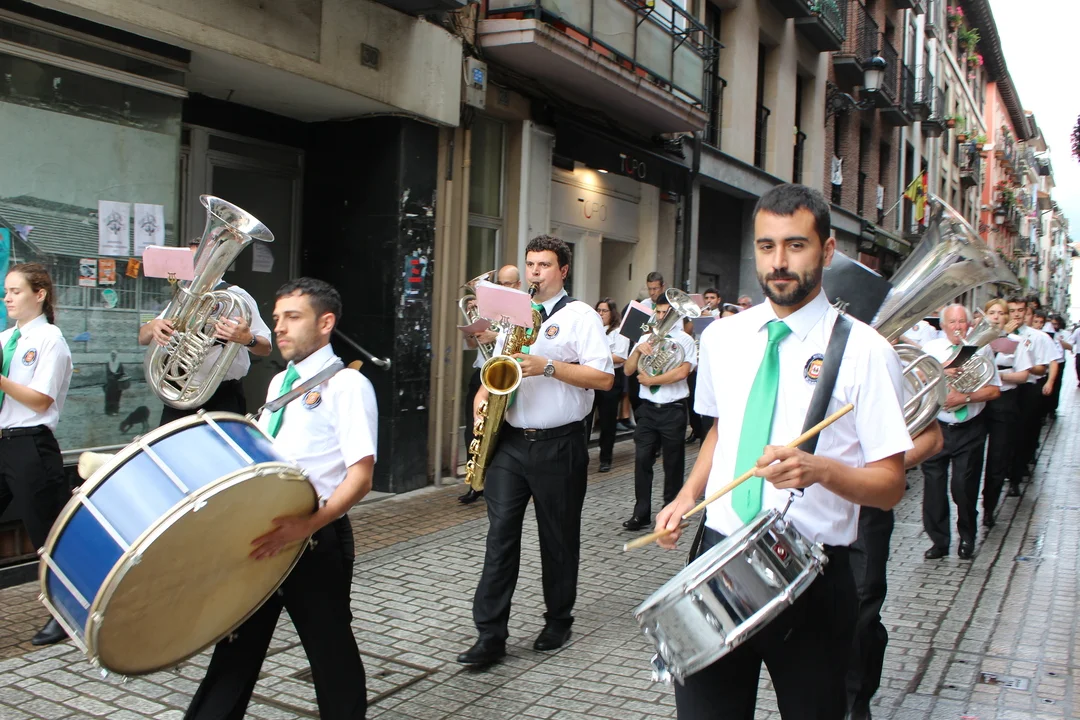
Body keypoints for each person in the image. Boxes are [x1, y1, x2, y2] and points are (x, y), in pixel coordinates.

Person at [655, 184, 911, 719]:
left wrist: (821, 470)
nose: (779, 262)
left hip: (812, 575)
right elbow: (723, 430)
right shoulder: (723, 337)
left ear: (828, 249)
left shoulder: (866, 350)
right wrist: (686, 495)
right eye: (766, 246)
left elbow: (890, 487)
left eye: (796, 245)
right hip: (718, 560)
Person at [184, 277, 375, 720]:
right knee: (235, 647)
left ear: (325, 323)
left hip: (314, 539)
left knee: (330, 653)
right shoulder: (277, 385)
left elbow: (361, 477)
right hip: (264, 535)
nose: (280, 328)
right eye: (276, 318)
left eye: (293, 317)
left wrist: (306, 526)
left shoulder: (347, 385)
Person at [458, 235, 613, 668]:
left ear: (563, 270)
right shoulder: (514, 314)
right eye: (530, 264)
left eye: (544, 265)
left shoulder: (581, 316)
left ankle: (558, 619)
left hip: (559, 443)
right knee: (499, 538)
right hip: (510, 441)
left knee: (558, 539)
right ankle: (490, 635)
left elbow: (603, 379)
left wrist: (547, 366)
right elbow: (496, 366)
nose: (535, 273)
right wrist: (482, 397)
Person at [846, 419, 943, 720]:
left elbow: (933, 438)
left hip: (864, 507)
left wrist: (882, 469)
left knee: (861, 610)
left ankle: (855, 704)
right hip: (800, 509)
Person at [0, 263, 73, 646]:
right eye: (6, 291)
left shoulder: (50, 340)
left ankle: (64, 611)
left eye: (15, 291)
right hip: (2, 442)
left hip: (31, 445)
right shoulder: (3, 339)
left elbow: (41, 399)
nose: (7, 298)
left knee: (46, 534)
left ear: (39, 294)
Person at [140, 239, 273, 426]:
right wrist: (154, 326)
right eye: (191, 261)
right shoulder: (183, 296)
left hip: (221, 396)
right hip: (178, 394)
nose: (194, 267)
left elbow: (265, 348)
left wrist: (248, 339)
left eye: (200, 260)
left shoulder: (236, 296)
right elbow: (142, 337)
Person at [918, 304, 1001, 561]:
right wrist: (942, 369)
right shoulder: (932, 348)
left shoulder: (981, 349)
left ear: (969, 325)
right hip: (937, 428)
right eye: (952, 322)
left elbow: (994, 390)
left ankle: (967, 536)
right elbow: (917, 377)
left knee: (964, 487)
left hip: (970, 428)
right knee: (933, 488)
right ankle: (939, 541)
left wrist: (964, 397)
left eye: (962, 322)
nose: (957, 327)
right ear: (943, 326)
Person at [621, 293, 696, 531]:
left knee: (673, 464)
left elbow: (682, 372)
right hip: (648, 411)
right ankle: (641, 513)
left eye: (666, 313)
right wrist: (638, 351)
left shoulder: (685, 341)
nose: (662, 316)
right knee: (642, 460)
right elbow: (628, 370)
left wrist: (652, 380)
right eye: (659, 312)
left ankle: (670, 512)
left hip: (673, 409)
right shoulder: (646, 337)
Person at [460, 265, 521, 504]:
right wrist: (472, 324)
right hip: (482, 371)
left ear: (517, 285)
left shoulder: (521, 310)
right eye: (499, 283)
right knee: (472, 428)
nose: (501, 288)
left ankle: (496, 480)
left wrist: (495, 336)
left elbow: (521, 340)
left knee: (498, 429)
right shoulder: (488, 309)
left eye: (507, 284)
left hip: (504, 373)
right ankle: (474, 481)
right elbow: (472, 345)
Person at [982, 298, 1031, 515]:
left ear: (1007, 317)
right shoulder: (977, 340)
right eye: (992, 312)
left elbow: (1023, 375)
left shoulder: (1017, 341)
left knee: (998, 456)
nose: (996, 317)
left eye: (1001, 313)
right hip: (979, 401)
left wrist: (997, 376)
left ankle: (989, 506)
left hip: (1004, 402)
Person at [1007, 295, 1054, 484]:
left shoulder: (1038, 337)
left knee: (1023, 431)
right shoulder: (999, 333)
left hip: (1027, 388)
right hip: (1005, 389)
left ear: (1027, 311)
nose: (1016, 315)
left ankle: (1016, 474)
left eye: (1020, 310)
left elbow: (1042, 368)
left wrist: (1023, 365)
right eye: (1012, 311)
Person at [587, 298, 629, 473]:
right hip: (590, 375)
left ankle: (605, 458)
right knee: (586, 418)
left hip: (611, 377)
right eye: (598, 310)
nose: (600, 314)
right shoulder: (592, 330)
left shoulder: (619, 332)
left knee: (607, 421)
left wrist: (599, 355)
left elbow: (621, 357)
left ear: (612, 313)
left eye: (604, 311)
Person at [103, 349, 126, 415]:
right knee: (109, 397)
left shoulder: (119, 364)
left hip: (117, 384)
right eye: (112, 355)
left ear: (116, 356)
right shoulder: (108, 364)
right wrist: (113, 376)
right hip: (110, 384)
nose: (113, 356)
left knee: (116, 397)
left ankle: (115, 410)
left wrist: (119, 375)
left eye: (114, 355)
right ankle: (108, 411)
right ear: (111, 356)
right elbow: (107, 373)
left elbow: (122, 373)